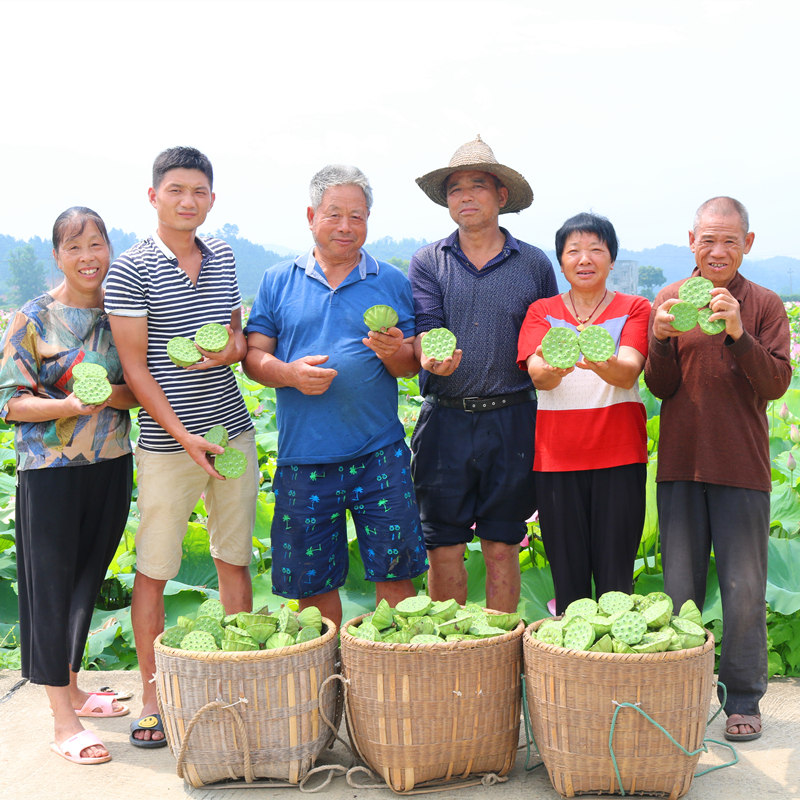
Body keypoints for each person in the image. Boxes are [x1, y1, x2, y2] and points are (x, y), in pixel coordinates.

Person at [104, 147, 259, 748]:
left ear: (211, 200)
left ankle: (240, 686)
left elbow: (237, 336)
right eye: (175, 190)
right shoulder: (131, 269)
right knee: (155, 569)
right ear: (153, 197)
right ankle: (153, 696)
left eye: (198, 191)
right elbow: (137, 370)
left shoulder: (222, 255)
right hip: (170, 446)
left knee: (235, 559)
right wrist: (183, 436)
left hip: (234, 431)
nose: (187, 200)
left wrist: (234, 350)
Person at [243, 164, 427, 628]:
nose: (346, 227)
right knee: (311, 587)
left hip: (379, 451)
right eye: (334, 214)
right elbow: (253, 357)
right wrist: (287, 374)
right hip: (303, 456)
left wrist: (394, 352)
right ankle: (326, 684)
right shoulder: (277, 281)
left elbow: (408, 364)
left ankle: (390, 686)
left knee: (397, 574)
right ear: (311, 216)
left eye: (358, 216)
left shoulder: (391, 281)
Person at [645, 196, 790, 742]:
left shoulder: (765, 304)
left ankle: (743, 699)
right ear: (691, 241)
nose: (718, 250)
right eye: (708, 239)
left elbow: (776, 384)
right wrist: (659, 339)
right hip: (681, 467)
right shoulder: (669, 300)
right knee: (680, 590)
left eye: (730, 240)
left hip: (742, 468)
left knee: (744, 588)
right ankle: (681, 695)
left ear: (747, 244)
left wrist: (737, 333)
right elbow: (660, 387)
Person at [0, 208, 138, 764]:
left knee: (87, 580)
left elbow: (136, 389)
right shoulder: (29, 319)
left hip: (110, 462)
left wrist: (108, 395)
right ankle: (62, 720)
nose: (88, 256)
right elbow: (9, 403)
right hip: (50, 472)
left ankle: (76, 690)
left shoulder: (119, 313)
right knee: (53, 587)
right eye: (75, 246)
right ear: (57, 254)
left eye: (97, 244)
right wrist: (68, 405)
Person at [409, 136, 558, 613]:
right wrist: (432, 358)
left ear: (501, 196)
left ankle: (499, 665)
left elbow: (546, 335)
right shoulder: (429, 260)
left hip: (511, 418)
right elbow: (427, 326)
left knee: (502, 545)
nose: (465, 196)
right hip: (444, 419)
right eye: (455, 189)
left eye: (477, 185)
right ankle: (449, 659)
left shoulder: (533, 262)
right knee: (443, 546)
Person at [517, 213, 650, 613]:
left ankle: (615, 672)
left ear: (612, 259)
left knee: (616, 581)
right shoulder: (541, 311)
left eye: (596, 249)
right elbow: (539, 376)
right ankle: (573, 671)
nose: (585, 258)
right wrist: (553, 367)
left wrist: (594, 357)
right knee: (569, 579)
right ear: (561, 262)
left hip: (620, 455)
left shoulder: (635, 307)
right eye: (573, 250)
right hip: (557, 459)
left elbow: (628, 369)